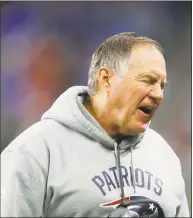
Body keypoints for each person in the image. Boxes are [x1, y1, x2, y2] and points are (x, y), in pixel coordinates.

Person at [1, 32, 189, 217]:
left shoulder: (164, 156)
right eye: (148, 80)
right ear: (106, 79)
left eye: (162, 85)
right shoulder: (36, 152)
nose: (158, 94)